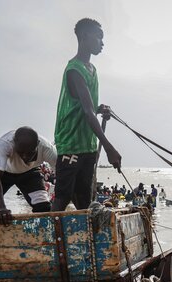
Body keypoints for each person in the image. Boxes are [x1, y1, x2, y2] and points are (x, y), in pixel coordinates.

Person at [52, 18, 122, 212]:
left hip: (88, 143)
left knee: (84, 198)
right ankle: (51, 241)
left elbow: (88, 106)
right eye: (98, 37)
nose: (102, 42)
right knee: (63, 197)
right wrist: (109, 148)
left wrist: (100, 109)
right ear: (84, 36)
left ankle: (87, 241)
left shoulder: (92, 69)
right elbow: (87, 110)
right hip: (71, 142)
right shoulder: (74, 69)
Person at [0, 127, 56, 225]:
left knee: (43, 207)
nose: (25, 157)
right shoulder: (5, 143)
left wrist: (57, 204)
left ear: (37, 144)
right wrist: (1, 207)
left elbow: (62, 175)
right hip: (3, 172)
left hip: (30, 172)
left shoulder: (48, 149)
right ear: (14, 143)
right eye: (21, 153)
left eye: (30, 153)